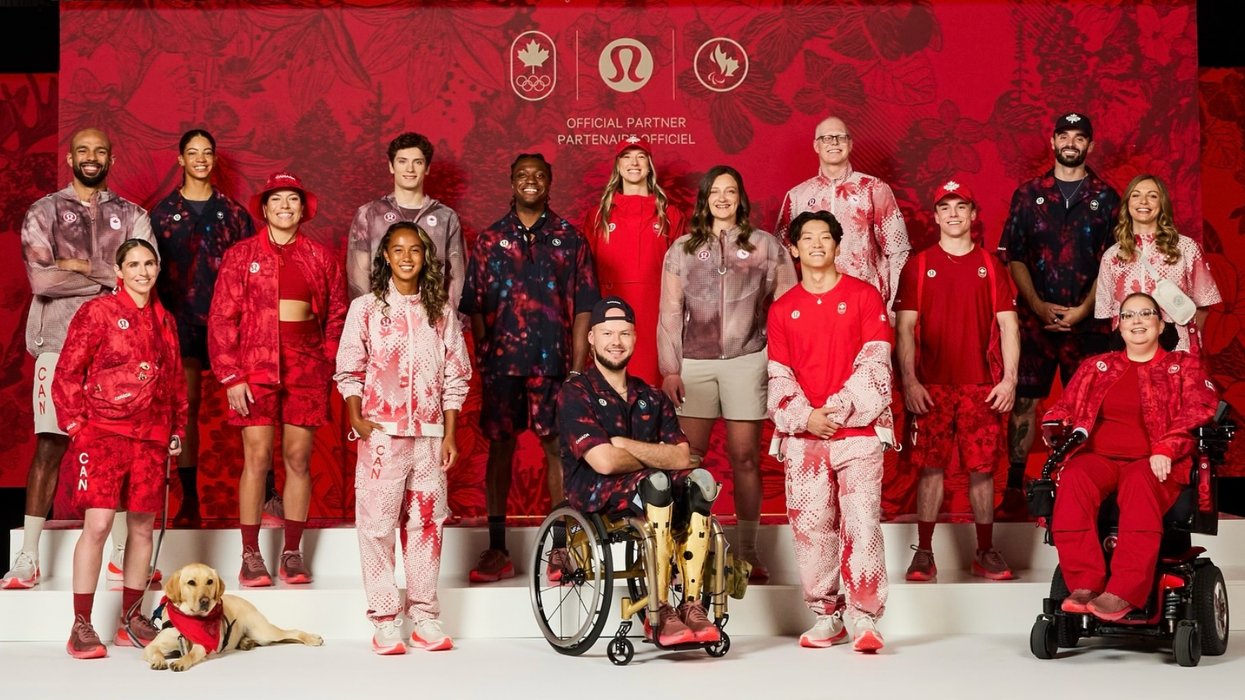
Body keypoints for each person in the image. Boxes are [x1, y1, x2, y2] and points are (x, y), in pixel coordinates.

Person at [3, 128, 155, 590]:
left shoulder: (133, 215)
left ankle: (120, 558)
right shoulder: (44, 211)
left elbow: (144, 275)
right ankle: (28, 556)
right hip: (57, 341)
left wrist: (81, 266)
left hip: (117, 349)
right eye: (83, 150)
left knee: (120, 449)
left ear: (111, 159)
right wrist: (111, 275)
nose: (92, 157)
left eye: (100, 151)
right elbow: (43, 282)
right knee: (50, 444)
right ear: (70, 158)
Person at [459, 153, 599, 582]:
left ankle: (561, 548)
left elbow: (585, 307)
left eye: (539, 175)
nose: (531, 181)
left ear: (549, 183)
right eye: (523, 175)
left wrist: (577, 366)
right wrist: (485, 352)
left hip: (553, 364)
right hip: (502, 365)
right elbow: (474, 303)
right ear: (512, 182)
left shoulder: (570, 238)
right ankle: (497, 548)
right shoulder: (490, 239)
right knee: (499, 448)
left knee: (557, 449)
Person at [336, 222, 471, 654]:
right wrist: (357, 417)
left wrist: (449, 433)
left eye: (415, 250)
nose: (407, 257)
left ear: (425, 256)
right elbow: (349, 368)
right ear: (386, 257)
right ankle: (384, 619)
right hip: (381, 437)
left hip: (430, 439)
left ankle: (424, 617)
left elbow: (456, 376)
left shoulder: (441, 312)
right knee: (376, 527)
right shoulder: (366, 309)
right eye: (398, 250)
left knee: (427, 526)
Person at [657, 165, 796, 580]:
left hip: (747, 360)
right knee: (688, 459)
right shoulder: (682, 249)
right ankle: (684, 550)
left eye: (730, 191)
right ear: (704, 198)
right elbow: (669, 313)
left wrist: (778, 362)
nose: (722, 198)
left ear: (740, 198)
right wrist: (671, 369)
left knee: (745, 458)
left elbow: (788, 305)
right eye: (715, 191)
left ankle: (748, 551)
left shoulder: (765, 246)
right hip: (694, 364)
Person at [208, 171, 347, 587]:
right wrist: (231, 375)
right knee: (257, 458)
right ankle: (250, 554)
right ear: (265, 208)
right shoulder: (241, 255)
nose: (285, 206)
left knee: (298, 459)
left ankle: (292, 551)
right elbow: (221, 317)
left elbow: (338, 314)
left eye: (293, 199)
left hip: (307, 367)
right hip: (255, 366)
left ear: (303, 209)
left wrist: (327, 359)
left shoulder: (321, 257)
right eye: (277, 200)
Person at [558, 296, 720, 645]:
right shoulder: (575, 393)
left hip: (650, 486)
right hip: (594, 488)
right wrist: (656, 456)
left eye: (624, 333)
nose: (616, 341)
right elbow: (603, 462)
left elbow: (683, 458)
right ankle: (658, 610)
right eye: (607, 333)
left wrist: (622, 444)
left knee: (701, 481)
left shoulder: (652, 396)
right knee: (657, 481)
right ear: (591, 338)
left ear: (634, 337)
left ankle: (692, 605)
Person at [1046, 292, 1217, 620]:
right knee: (1075, 476)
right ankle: (1084, 585)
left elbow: (1200, 409)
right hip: (1100, 458)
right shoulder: (1096, 367)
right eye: (1128, 315)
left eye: (1145, 313)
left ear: (1161, 324)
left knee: (1140, 481)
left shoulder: (1184, 366)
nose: (1137, 320)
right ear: (1119, 326)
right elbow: (1064, 408)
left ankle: (1123, 591)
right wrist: (1053, 425)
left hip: (1154, 461)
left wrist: (1167, 447)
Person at [767, 210, 892, 652]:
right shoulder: (782, 309)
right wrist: (806, 418)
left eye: (825, 237)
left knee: (862, 524)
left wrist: (835, 412)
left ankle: (865, 619)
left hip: (857, 434)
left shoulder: (864, 296)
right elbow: (779, 377)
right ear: (794, 248)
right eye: (807, 238)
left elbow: (877, 364)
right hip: (805, 440)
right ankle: (826, 616)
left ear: (838, 245)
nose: (816, 244)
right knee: (811, 528)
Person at [57, 239, 187, 658]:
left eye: (149, 263)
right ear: (119, 271)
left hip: (151, 437)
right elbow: (68, 370)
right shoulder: (97, 312)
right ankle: (81, 624)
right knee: (97, 525)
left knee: (142, 528)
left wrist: (176, 429)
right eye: (133, 264)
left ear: (157, 268)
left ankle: (131, 618)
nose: (142, 272)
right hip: (104, 433)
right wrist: (76, 426)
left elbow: (176, 381)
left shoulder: (165, 320)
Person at [894, 179, 1020, 582]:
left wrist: (1009, 381)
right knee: (930, 468)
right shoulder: (918, 266)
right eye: (945, 207)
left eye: (961, 206)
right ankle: (924, 552)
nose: (953, 214)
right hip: (932, 386)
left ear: (973, 214)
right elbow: (904, 329)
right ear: (935, 216)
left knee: (982, 470)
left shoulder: (991, 266)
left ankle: (985, 550)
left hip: (981, 387)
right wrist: (910, 383)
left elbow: (1009, 326)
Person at [998, 112, 1120, 505]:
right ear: (1052, 142)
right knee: (1024, 402)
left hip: (1088, 325)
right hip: (1034, 323)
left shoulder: (1107, 198)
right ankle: (1014, 487)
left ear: (1090, 145)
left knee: (1089, 408)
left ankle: (1081, 485)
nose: (1071, 143)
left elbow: (1114, 261)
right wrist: (1037, 305)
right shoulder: (1028, 194)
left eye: (1079, 137)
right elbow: (1014, 255)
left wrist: (1082, 310)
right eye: (1064, 136)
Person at [150, 129, 256, 527]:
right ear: (180, 159)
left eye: (207, 152)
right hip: (180, 323)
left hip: (230, 323)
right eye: (192, 153)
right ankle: (189, 499)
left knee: (253, 406)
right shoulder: (161, 214)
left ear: (214, 159)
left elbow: (252, 271)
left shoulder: (234, 214)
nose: (200, 159)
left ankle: (266, 492)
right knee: (188, 405)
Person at [774, 116, 911, 315]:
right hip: (814, 305)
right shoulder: (797, 196)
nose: (834, 143)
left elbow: (899, 251)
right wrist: (790, 305)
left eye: (841, 137)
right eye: (827, 138)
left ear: (850, 144)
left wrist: (894, 307)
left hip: (866, 304)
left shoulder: (874, 188)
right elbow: (781, 257)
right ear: (816, 146)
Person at [584, 136, 685, 386]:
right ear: (618, 166)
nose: (634, 163)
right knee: (611, 384)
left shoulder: (669, 214)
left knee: (650, 385)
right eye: (627, 157)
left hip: (656, 314)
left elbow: (684, 274)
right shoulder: (598, 215)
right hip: (609, 312)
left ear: (649, 166)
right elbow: (585, 274)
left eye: (641, 157)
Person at [1094, 174, 1221, 352]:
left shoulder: (1186, 248)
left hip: (1176, 352)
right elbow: (1108, 315)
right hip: (1128, 354)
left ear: (1162, 204)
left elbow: (1202, 307)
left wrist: (1188, 348)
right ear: (1127, 203)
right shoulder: (1112, 256)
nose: (1143, 201)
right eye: (1136, 195)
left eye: (1152, 196)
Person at [346, 132, 466, 306]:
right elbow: (358, 275)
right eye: (402, 161)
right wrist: (368, 315)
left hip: (432, 315)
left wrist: (449, 318)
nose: (410, 169)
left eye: (418, 162)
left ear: (427, 168)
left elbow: (457, 277)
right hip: (381, 314)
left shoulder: (446, 217)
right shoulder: (369, 214)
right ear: (391, 166)